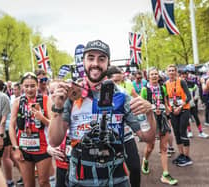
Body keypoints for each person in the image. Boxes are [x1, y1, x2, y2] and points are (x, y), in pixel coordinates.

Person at [48, 40, 156, 187]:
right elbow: (54, 141)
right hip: (80, 179)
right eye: (91, 58)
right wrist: (58, 107)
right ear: (83, 61)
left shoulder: (122, 95)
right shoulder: (71, 94)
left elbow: (148, 137)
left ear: (108, 63)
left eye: (101, 59)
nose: (95, 63)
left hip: (116, 178)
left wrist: (149, 112)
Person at [9, 72, 53, 187]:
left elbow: (53, 124)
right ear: (22, 86)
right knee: (28, 184)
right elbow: (11, 126)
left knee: (44, 182)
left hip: (42, 148)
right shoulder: (18, 102)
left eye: (32, 86)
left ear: (37, 85)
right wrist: (15, 148)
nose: (29, 89)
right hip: (24, 149)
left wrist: (42, 118)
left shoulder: (45, 100)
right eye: (26, 86)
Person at [140, 67, 178, 185]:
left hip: (163, 118)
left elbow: (165, 102)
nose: (155, 76)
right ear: (148, 76)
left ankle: (165, 174)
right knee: (150, 147)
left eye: (156, 74)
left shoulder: (162, 88)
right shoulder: (145, 90)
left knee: (164, 148)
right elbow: (142, 106)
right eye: (152, 74)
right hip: (151, 118)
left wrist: (168, 110)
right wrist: (150, 111)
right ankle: (145, 159)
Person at [106, 65, 142, 187]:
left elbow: (136, 101)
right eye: (115, 81)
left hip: (126, 136)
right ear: (107, 79)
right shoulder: (100, 95)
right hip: (109, 139)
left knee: (136, 168)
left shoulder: (124, 92)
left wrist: (145, 106)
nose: (118, 85)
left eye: (120, 81)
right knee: (112, 173)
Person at [165, 64, 193, 167]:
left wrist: (180, 107)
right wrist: (169, 109)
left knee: (182, 132)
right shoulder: (166, 84)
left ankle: (187, 157)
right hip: (173, 111)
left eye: (173, 70)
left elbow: (189, 96)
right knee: (176, 132)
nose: (171, 72)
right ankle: (181, 154)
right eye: (169, 70)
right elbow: (167, 98)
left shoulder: (181, 81)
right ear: (167, 72)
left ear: (176, 72)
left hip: (184, 110)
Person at [180, 70, 209, 139]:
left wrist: (195, 98)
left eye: (184, 74)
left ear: (187, 75)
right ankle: (189, 132)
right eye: (182, 74)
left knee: (196, 117)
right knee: (186, 119)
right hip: (184, 105)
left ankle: (201, 132)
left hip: (192, 104)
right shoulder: (178, 84)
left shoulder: (192, 83)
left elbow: (197, 91)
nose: (183, 76)